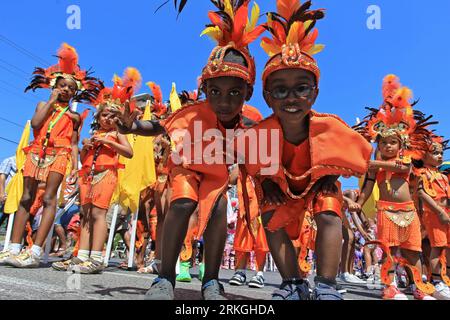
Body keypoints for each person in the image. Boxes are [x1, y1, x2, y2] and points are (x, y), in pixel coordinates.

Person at [110, 0, 265, 300]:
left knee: (219, 210)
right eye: (216, 92)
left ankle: (211, 281)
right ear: (205, 90)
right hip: (186, 167)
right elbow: (157, 126)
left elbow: (263, 153)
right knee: (181, 204)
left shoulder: (250, 123)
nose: (224, 101)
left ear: (247, 92)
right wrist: (130, 128)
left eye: (234, 93)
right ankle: (164, 277)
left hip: (216, 175)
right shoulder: (193, 112)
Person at [235, 0, 373, 300]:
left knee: (329, 209)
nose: (292, 97)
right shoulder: (259, 134)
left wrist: (330, 174)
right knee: (269, 217)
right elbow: (253, 167)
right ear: (268, 98)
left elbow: (359, 154)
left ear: (315, 93)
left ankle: (325, 285)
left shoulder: (331, 127)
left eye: (302, 88)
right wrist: (268, 182)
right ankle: (292, 283)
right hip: (282, 188)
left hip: (318, 185)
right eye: (281, 90)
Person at [0, 43, 101, 268]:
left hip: (59, 155)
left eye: (70, 89)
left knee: (49, 199)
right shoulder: (42, 104)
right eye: (62, 86)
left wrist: (75, 166)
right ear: (54, 85)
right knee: (26, 198)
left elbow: (74, 143)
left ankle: (35, 251)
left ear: (75, 93)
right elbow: (36, 123)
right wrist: (52, 102)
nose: (65, 90)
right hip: (35, 152)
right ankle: (13, 247)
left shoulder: (75, 117)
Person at [354, 74, 436, 300]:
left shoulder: (405, 161)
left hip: (408, 210)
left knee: (414, 252)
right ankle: (389, 286)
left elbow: (399, 167)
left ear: (401, 145)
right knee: (388, 252)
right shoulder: (376, 168)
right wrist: (358, 204)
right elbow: (368, 188)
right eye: (383, 142)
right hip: (385, 211)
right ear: (378, 144)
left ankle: (418, 287)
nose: (388, 145)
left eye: (393, 142)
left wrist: (370, 162)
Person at [67, 69, 136, 274]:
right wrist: (86, 148)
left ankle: (96, 257)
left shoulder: (117, 133)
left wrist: (107, 141)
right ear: (98, 116)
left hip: (106, 175)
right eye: (104, 114)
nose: (107, 118)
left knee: (98, 214)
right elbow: (82, 159)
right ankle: (82, 255)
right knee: (85, 214)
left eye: (112, 115)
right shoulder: (94, 133)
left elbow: (129, 152)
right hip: (87, 175)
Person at [415, 135, 450, 299]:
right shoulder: (422, 173)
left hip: (446, 213)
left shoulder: (442, 176)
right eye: (435, 153)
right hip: (435, 213)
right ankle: (436, 282)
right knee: (437, 246)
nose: (440, 156)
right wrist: (439, 211)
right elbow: (421, 193)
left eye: (441, 153)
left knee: (446, 247)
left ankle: (444, 277)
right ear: (423, 155)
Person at [0, 156, 17, 229]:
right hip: (5, 194)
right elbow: (2, 176)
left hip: (15, 197)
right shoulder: (10, 160)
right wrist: (2, 193)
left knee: (10, 220)